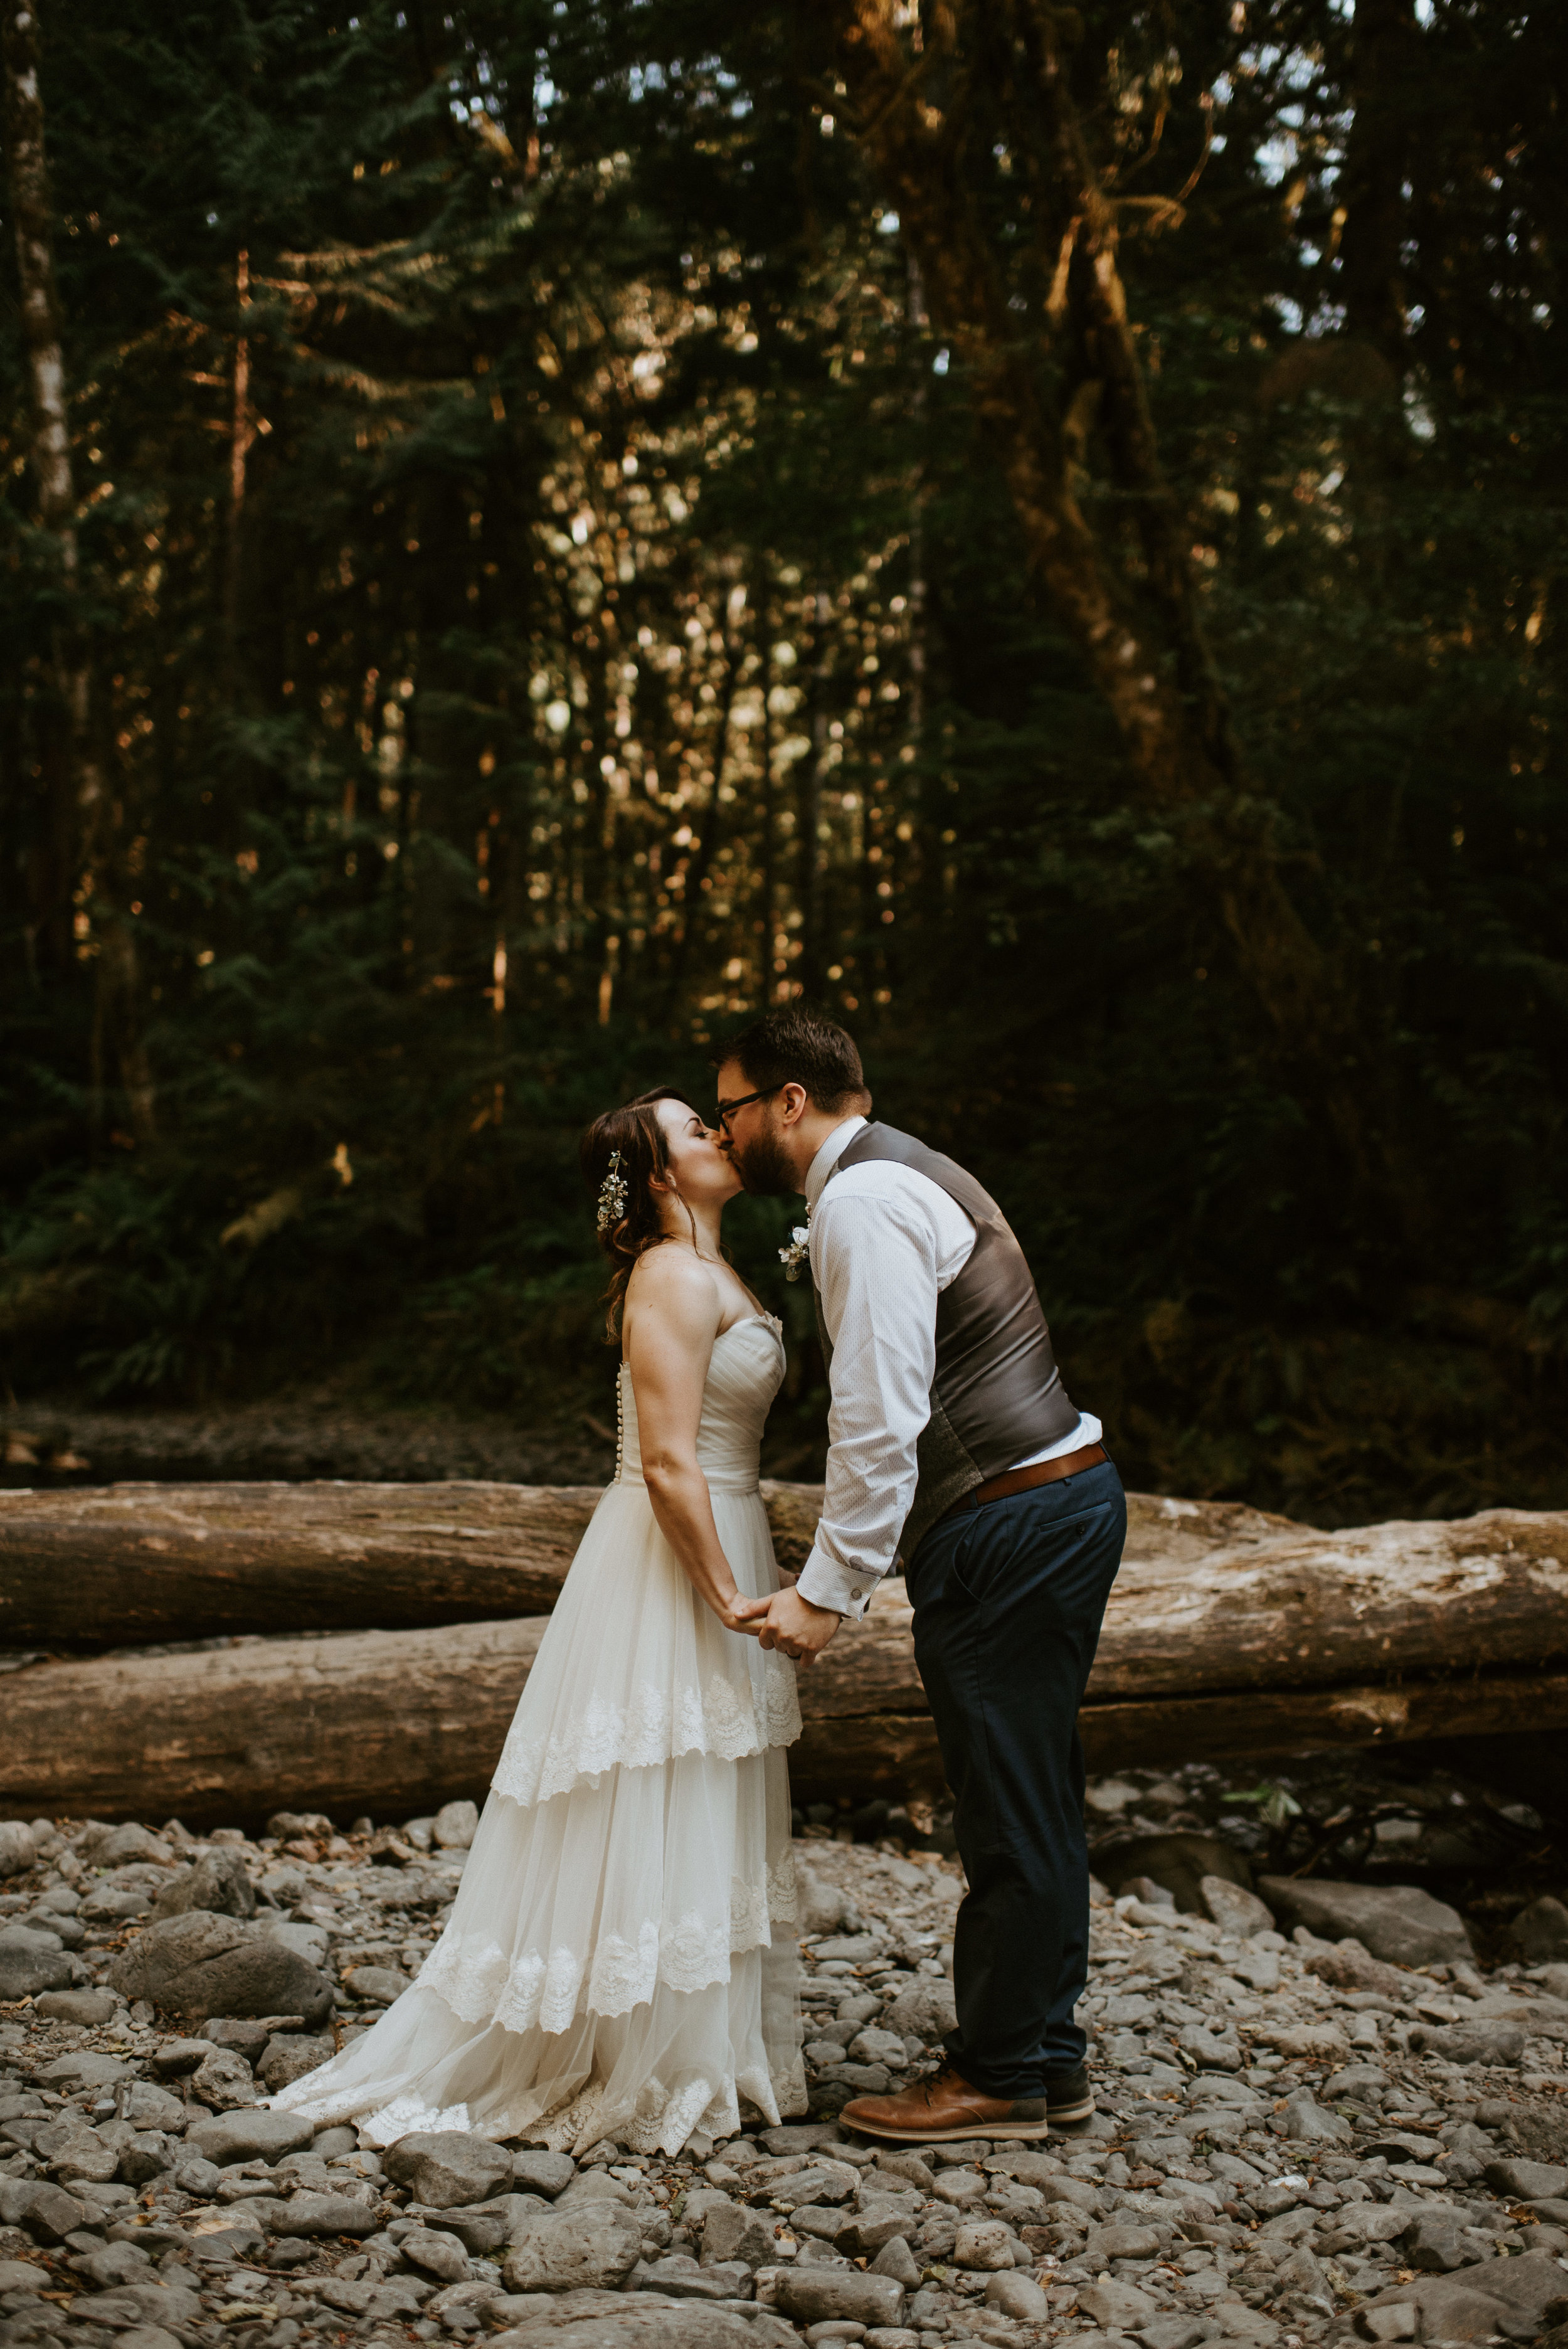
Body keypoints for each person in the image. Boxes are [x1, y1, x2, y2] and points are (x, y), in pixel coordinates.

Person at [267, 1088, 803, 2155]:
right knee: (645, 1781)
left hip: (723, 1528)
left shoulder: (719, 1265)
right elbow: (662, 1458)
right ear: (658, 1174)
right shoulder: (668, 1273)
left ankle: (692, 2040)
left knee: (697, 1782)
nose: (718, 1133)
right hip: (672, 1551)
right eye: (695, 1128)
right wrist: (721, 1593)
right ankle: (619, 2050)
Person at [716, 1008, 1125, 2145]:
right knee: (1035, 1791)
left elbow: (881, 1412)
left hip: (1011, 1517)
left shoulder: (861, 1200)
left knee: (1004, 1802)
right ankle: (1046, 2060)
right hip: (1052, 1497)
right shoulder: (898, 1173)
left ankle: (999, 2076)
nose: (724, 1127)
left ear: (788, 1101)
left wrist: (826, 1589)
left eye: (732, 1106)